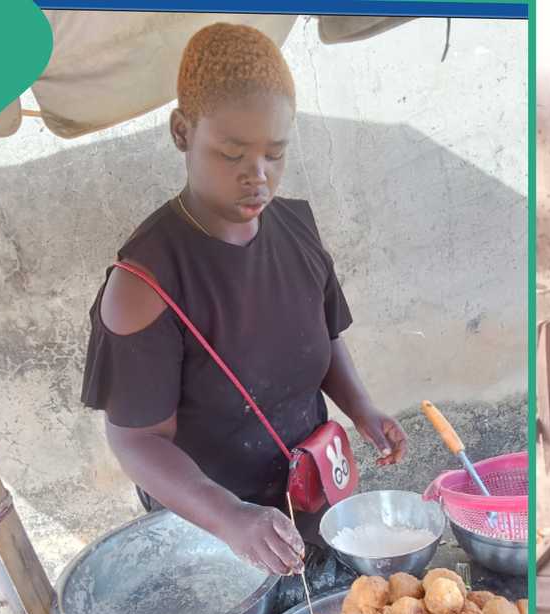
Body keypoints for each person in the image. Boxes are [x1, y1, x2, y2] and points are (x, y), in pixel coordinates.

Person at [81, 23, 408, 581]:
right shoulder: (144, 285)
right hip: (213, 536)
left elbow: (323, 337)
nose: (257, 177)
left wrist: (362, 409)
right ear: (182, 131)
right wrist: (231, 517)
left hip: (308, 494)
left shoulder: (297, 229)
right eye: (232, 153)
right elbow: (135, 441)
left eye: (274, 155)